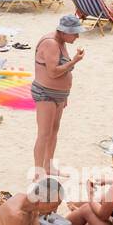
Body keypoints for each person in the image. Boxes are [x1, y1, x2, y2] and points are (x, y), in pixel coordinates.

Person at [32, 14, 84, 175]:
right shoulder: (51, 43)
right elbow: (53, 72)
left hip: (59, 94)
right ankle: (38, 173)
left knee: (54, 131)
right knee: (44, 133)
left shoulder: (61, 41)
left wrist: (65, 95)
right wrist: (74, 61)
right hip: (45, 93)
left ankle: (49, 167)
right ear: (63, 31)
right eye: (74, 33)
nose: (77, 36)